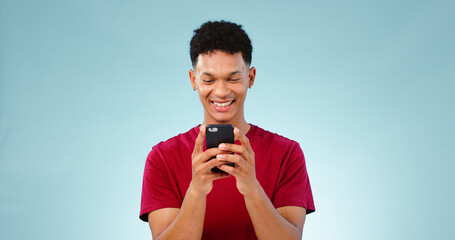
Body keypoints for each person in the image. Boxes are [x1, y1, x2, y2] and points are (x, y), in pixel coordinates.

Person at [140, 20, 315, 240]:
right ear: (193, 80)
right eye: (208, 80)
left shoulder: (287, 154)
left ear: (250, 78)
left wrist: (251, 188)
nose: (221, 92)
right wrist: (196, 190)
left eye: (233, 79)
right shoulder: (162, 158)